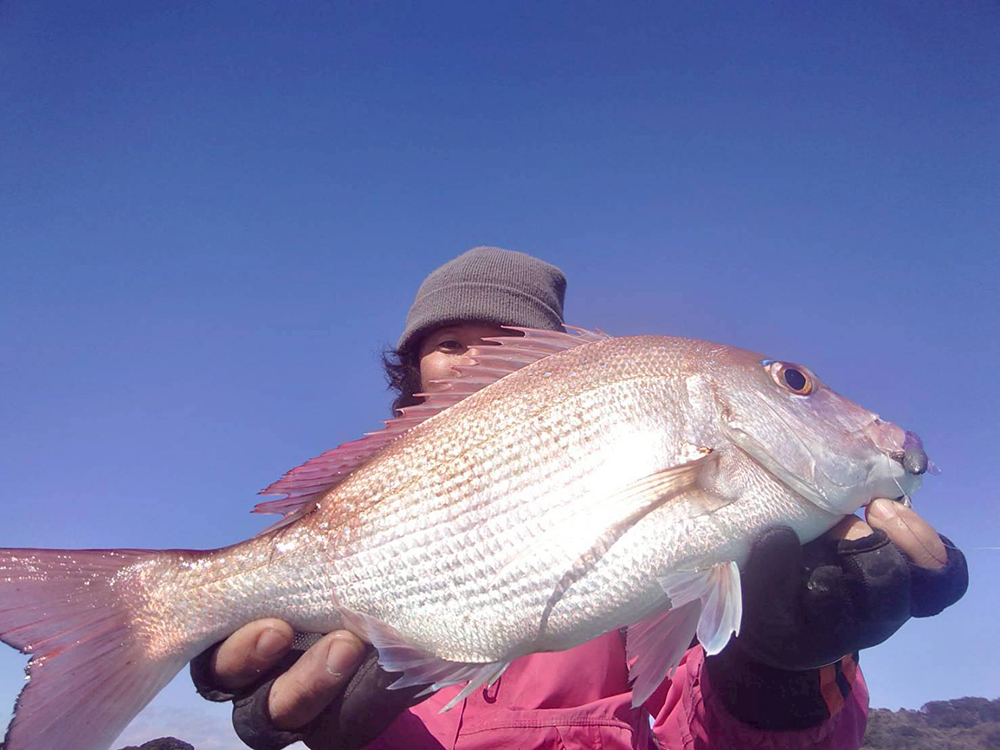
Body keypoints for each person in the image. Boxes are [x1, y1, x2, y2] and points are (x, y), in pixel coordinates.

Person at [191, 247, 968, 749]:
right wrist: (233, 625)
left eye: (506, 344)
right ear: (412, 368)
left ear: (547, 367)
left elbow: (694, 724)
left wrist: (781, 680)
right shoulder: (377, 504)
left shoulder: (726, 537)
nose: (475, 361)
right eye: (448, 344)